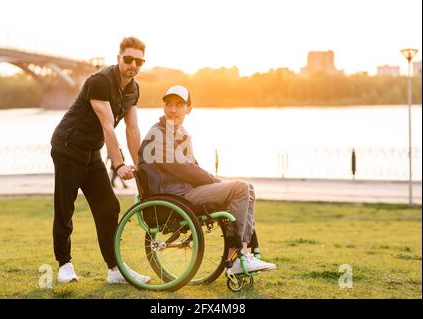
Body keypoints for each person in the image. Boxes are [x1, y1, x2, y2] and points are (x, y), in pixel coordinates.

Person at [138, 85, 276, 275]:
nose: (172, 110)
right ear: (163, 107)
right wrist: (217, 183)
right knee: (241, 188)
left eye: (179, 105)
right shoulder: (158, 135)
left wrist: (216, 184)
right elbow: (185, 170)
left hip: (184, 194)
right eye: (168, 104)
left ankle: (243, 252)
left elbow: (191, 168)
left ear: (189, 109)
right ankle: (237, 256)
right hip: (174, 198)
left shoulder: (181, 134)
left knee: (246, 188)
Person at [50, 36, 149, 284]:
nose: (133, 65)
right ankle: (65, 264)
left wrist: (138, 167)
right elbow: (108, 126)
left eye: (139, 61)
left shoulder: (133, 89)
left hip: (91, 153)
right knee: (65, 208)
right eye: (128, 59)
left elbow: (132, 129)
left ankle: (115, 270)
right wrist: (118, 164)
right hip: (67, 148)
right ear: (118, 59)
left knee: (109, 206)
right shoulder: (100, 82)